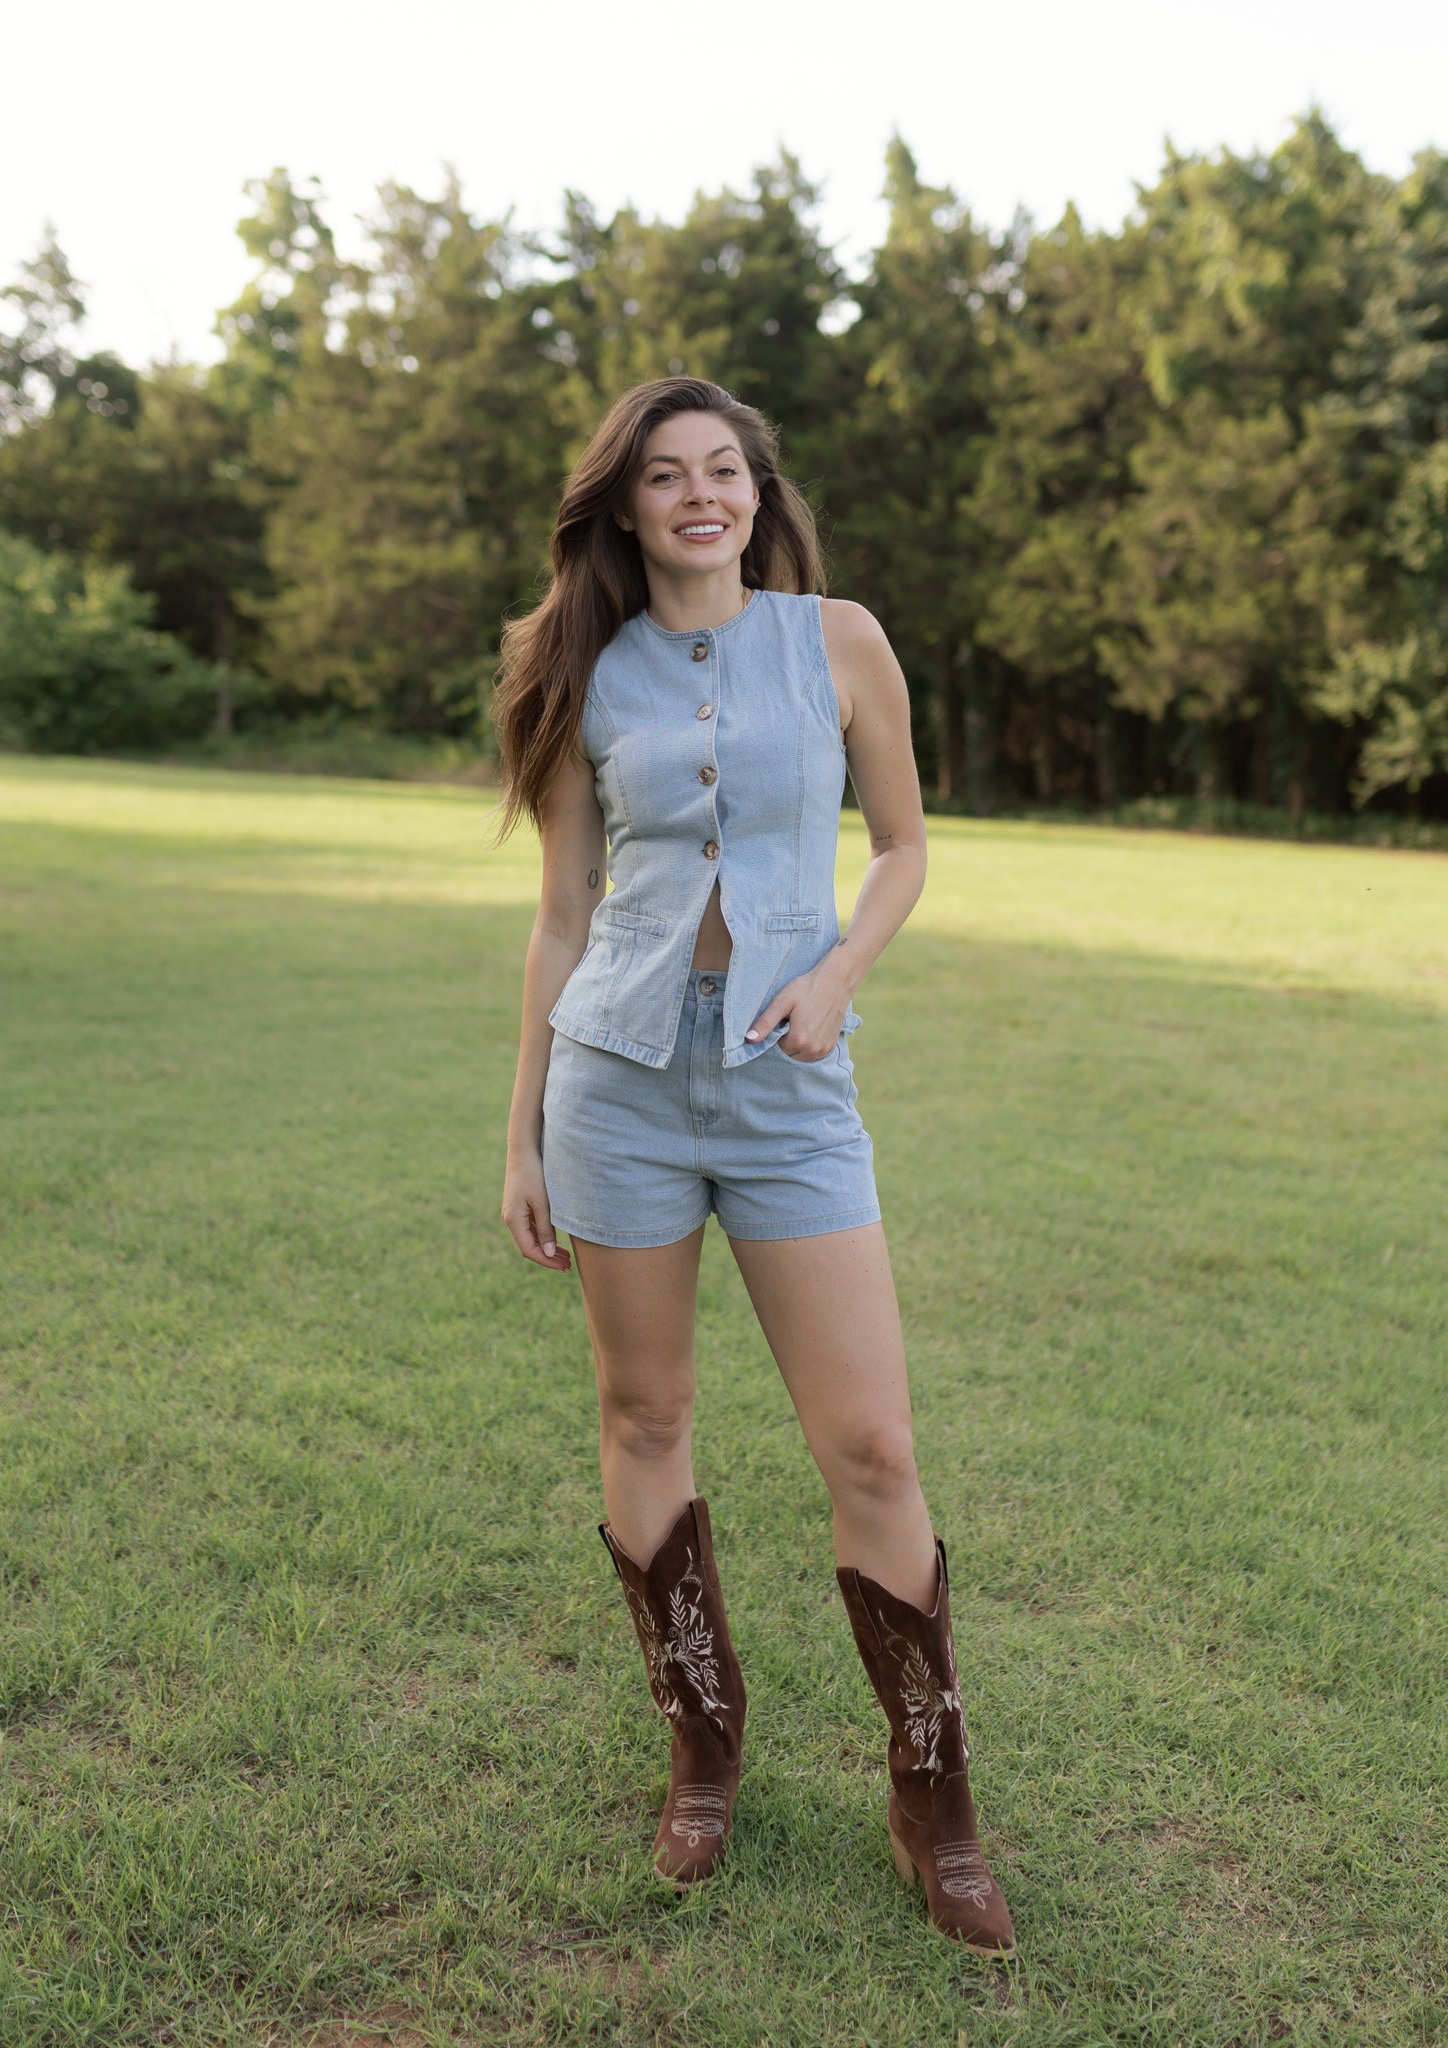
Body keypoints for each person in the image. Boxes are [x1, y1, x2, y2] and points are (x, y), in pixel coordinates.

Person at [495, 376, 1014, 1957]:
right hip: (620, 1082)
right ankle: (704, 1750)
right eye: (667, 476)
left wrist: (839, 974)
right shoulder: (586, 670)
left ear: (758, 493)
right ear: (626, 507)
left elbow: (905, 847)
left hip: (791, 1083)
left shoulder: (839, 642)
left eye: (724, 469)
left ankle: (933, 1795)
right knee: (645, 1414)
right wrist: (522, 1130)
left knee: (872, 1444)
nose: (701, 495)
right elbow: (565, 912)